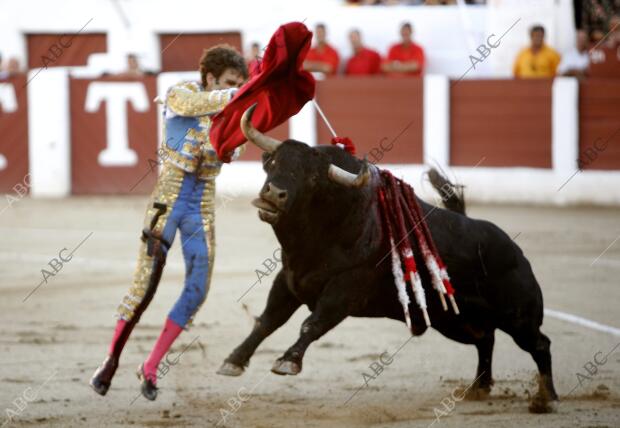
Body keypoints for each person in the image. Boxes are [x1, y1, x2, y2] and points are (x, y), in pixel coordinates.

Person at [90, 44, 248, 401]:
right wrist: (237, 96)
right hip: (167, 202)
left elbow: (232, 152)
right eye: (228, 81)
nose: (234, 88)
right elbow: (191, 107)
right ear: (210, 78)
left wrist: (239, 113)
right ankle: (111, 358)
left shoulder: (232, 114)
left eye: (239, 83)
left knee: (198, 288)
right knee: (145, 286)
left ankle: (151, 365)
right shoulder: (183, 93)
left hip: (201, 205)